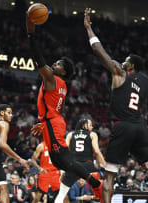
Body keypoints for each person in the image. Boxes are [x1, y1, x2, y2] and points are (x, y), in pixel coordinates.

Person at [83, 8, 148, 203]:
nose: (122, 62)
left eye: (126, 61)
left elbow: (98, 51)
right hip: (139, 126)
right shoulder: (146, 81)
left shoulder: (120, 73)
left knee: (110, 175)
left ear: (130, 66)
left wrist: (89, 29)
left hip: (122, 126)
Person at [26, 14, 101, 203]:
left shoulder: (51, 78)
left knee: (66, 161)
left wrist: (30, 34)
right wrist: (44, 123)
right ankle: (94, 182)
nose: (55, 63)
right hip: (53, 121)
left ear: (63, 71)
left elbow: (38, 57)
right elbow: (55, 106)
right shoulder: (63, 85)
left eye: (59, 64)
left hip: (52, 122)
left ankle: (96, 184)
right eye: (56, 62)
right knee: (61, 162)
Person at [56, 118, 106, 202]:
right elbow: (97, 152)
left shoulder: (70, 135)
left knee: (61, 194)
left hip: (73, 166)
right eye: (90, 125)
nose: (92, 127)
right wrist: (105, 165)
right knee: (100, 190)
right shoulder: (92, 134)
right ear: (84, 125)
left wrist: (62, 171)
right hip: (88, 166)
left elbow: (64, 153)